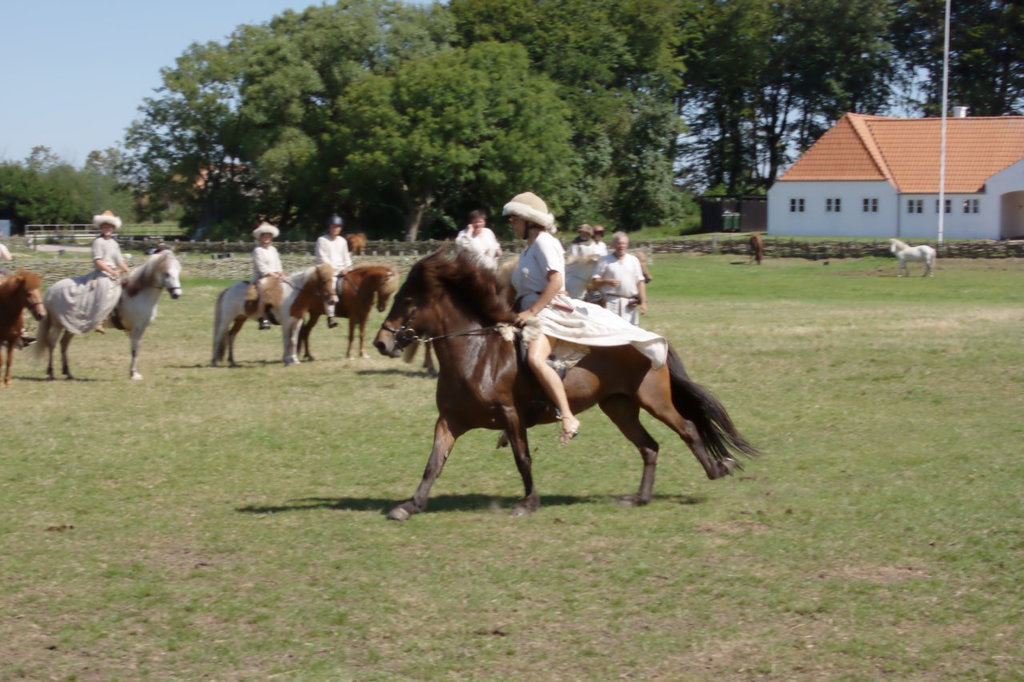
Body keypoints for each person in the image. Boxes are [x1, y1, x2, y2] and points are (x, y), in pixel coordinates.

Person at [503, 192, 668, 446]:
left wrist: (532, 311)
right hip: (527, 314)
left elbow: (556, 281)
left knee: (535, 359)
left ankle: (568, 417)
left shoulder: (545, 242)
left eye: (514, 219)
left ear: (528, 220)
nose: (511, 224)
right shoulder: (528, 249)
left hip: (547, 314)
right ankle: (519, 412)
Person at [592, 231, 648, 325]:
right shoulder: (605, 260)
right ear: (613, 244)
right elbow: (594, 281)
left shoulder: (633, 261)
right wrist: (606, 281)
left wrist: (643, 302)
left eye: (624, 243)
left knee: (630, 333)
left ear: (627, 245)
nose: (621, 246)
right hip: (610, 302)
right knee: (610, 332)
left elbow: (640, 282)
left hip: (629, 304)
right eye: (619, 243)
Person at [90, 211, 132, 333]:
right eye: (104, 226)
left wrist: (127, 270)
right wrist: (111, 272)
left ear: (113, 228)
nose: (107, 228)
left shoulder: (114, 243)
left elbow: (119, 260)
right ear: (101, 228)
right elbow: (98, 261)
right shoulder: (98, 242)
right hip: (101, 273)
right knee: (106, 288)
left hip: (114, 273)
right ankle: (99, 321)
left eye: (109, 226)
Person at [315, 214, 352, 328]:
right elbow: (323, 259)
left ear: (340, 228)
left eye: (337, 226)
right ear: (329, 227)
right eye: (333, 226)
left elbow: (346, 257)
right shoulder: (322, 240)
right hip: (328, 272)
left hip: (343, 271)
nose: (335, 228)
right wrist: (338, 270)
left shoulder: (342, 241)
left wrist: (348, 268)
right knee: (331, 287)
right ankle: (330, 316)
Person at [250, 222, 285, 330]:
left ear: (271, 237)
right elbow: (262, 268)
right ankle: (262, 318)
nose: (266, 237)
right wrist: (273, 275)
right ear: (260, 237)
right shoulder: (257, 250)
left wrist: (281, 273)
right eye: (264, 235)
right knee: (263, 289)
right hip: (262, 277)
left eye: (268, 235)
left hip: (275, 276)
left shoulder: (274, 250)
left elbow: (278, 264)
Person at [564, 224, 604, 299]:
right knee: (575, 299)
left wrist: (595, 258)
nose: (583, 234)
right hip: (576, 277)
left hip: (590, 278)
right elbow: (570, 259)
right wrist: (585, 259)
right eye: (581, 232)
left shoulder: (594, 244)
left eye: (585, 232)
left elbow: (600, 257)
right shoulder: (575, 244)